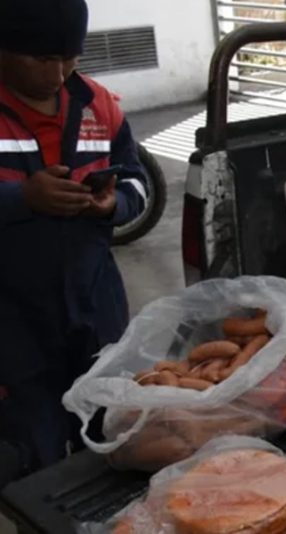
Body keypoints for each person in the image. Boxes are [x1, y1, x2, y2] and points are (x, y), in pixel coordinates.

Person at [0, 0, 147, 483]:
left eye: (70, 57)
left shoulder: (97, 104)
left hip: (94, 299)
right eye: (41, 59)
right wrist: (23, 199)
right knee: (34, 446)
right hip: (15, 317)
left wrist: (116, 204)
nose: (58, 73)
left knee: (110, 426)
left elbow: (136, 178)